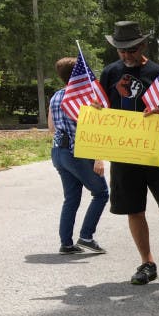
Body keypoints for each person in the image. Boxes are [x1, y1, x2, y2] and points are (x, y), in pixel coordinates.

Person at [97, 21, 159, 288]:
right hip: (124, 153)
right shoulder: (109, 73)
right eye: (121, 51)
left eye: (131, 49)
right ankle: (147, 263)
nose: (126, 55)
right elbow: (101, 111)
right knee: (133, 210)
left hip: (158, 152)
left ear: (143, 45)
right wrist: (96, 113)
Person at [48, 57, 109, 254]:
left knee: (71, 198)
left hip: (58, 152)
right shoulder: (84, 98)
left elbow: (51, 128)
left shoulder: (56, 96)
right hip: (78, 152)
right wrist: (98, 157)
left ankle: (66, 243)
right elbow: (93, 129)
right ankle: (86, 236)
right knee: (101, 193)